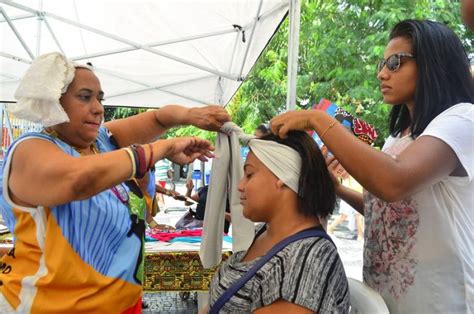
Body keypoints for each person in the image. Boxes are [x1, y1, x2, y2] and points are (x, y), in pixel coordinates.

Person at [0, 52, 230, 313]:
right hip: (46, 305)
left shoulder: (101, 142)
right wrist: (164, 147)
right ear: (53, 100)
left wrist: (190, 115)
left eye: (100, 98)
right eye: (85, 97)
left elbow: (158, 119)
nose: (98, 108)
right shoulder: (30, 149)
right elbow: (78, 180)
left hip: (119, 303)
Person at [270, 20, 473, 313]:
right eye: (382, 64)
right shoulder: (398, 138)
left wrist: (319, 120)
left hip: (440, 300)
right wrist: (338, 189)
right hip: (387, 299)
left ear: (432, 63)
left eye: (394, 63)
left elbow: (394, 182)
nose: (381, 74)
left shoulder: (463, 119)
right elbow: (389, 213)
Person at [206, 131, 349, 313]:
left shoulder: (309, 259)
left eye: (249, 174)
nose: (240, 186)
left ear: (282, 178)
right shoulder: (264, 232)